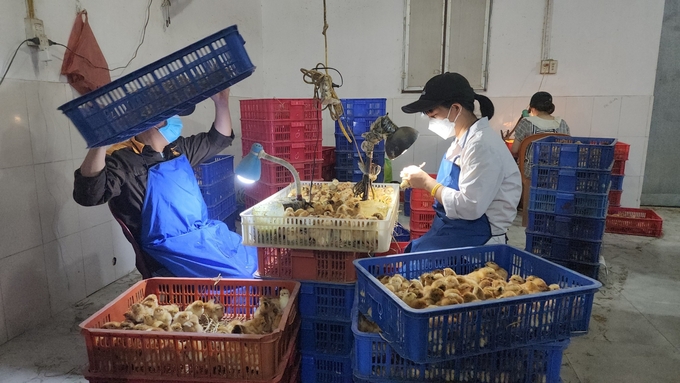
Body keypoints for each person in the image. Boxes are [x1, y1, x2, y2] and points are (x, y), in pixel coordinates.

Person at [73, 88, 258, 278]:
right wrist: (99, 143)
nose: (175, 120)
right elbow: (89, 195)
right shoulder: (123, 160)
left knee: (256, 257)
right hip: (170, 252)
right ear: (147, 122)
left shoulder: (178, 149)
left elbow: (218, 139)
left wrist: (222, 104)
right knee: (240, 277)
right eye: (169, 115)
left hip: (203, 237)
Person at [400, 72, 522, 252]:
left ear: (455, 109)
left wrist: (428, 183)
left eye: (432, 114)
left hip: (476, 241)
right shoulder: (462, 140)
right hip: (452, 229)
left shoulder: (482, 146)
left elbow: (470, 207)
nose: (430, 121)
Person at [510, 91, 571, 176]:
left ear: (532, 108)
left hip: (530, 174)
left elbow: (514, 150)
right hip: (556, 174)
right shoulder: (562, 123)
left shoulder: (526, 123)